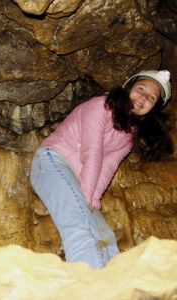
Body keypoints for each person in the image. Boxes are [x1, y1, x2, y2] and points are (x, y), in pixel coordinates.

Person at [30, 70, 173, 269]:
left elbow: (109, 166)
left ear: (154, 108)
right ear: (128, 88)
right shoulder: (100, 107)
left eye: (151, 98)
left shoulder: (129, 134)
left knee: (105, 236)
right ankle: (90, 288)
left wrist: (94, 199)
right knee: (80, 227)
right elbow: (93, 152)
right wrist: (87, 196)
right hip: (52, 162)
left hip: (78, 180)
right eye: (141, 89)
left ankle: (112, 286)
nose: (143, 98)